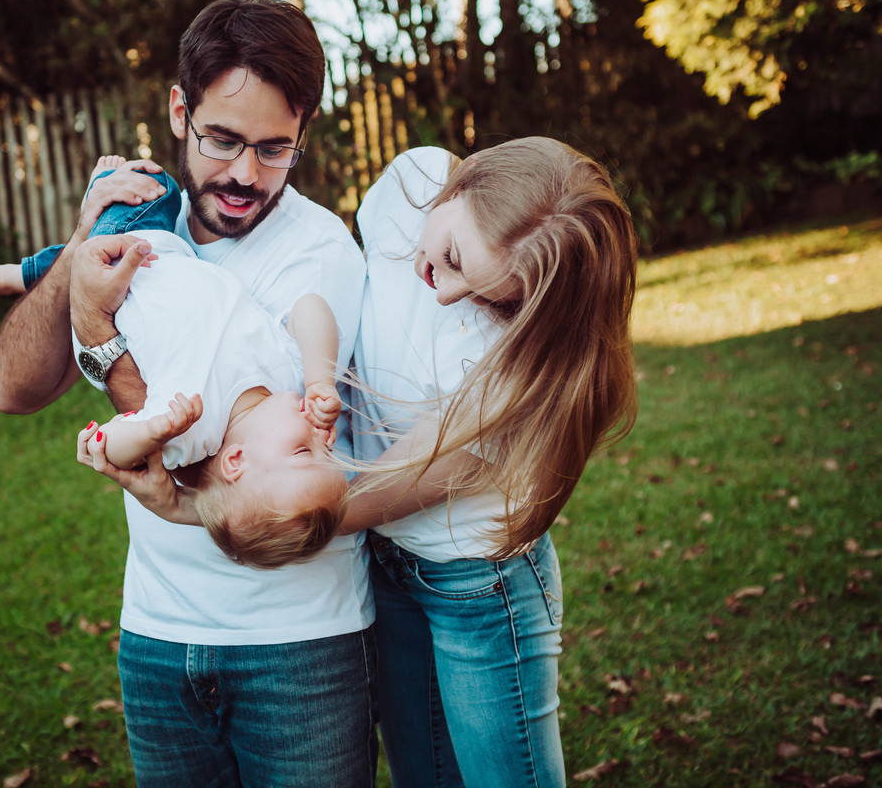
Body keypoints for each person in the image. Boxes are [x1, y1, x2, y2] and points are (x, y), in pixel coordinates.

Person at [87, 137, 638, 787]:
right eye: (454, 258)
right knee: (422, 775)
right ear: (460, 189)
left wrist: (190, 508)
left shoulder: (516, 373)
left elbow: (361, 500)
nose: (445, 293)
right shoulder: (414, 180)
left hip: (477, 585)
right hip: (389, 569)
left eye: (491, 296)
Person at [0, 0, 375, 787]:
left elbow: (183, 424)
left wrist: (96, 328)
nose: (243, 175)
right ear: (178, 110)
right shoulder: (135, 231)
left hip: (298, 648)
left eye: (275, 150)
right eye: (223, 139)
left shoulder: (318, 253)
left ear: (304, 134)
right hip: (157, 635)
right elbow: (15, 391)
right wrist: (80, 246)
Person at [0, 159, 348, 569]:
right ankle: (20, 274)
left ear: (236, 461)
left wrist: (152, 430)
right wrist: (321, 380)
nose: (324, 438)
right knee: (161, 197)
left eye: (304, 451)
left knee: (158, 186)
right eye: (329, 453)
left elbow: (112, 447)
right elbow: (310, 309)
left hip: (125, 261)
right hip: (169, 252)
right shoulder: (289, 379)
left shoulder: (189, 432)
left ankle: (25, 270)